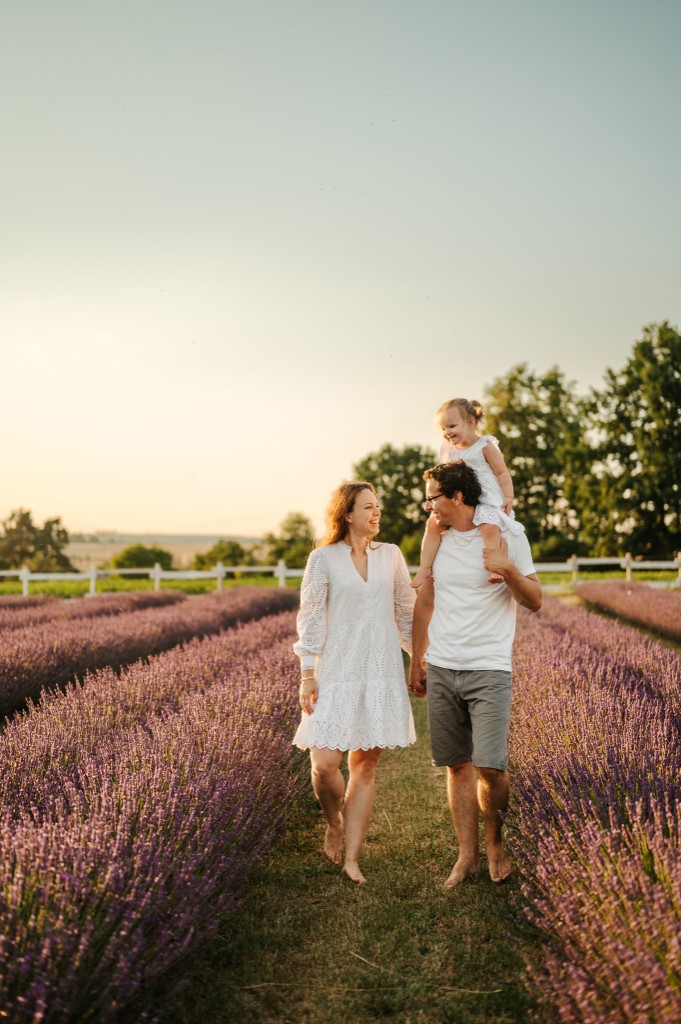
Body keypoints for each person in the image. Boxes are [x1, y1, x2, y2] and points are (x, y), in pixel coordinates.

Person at [408, 460, 542, 887]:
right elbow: (426, 603)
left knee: (491, 767)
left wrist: (508, 569)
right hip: (442, 665)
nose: (428, 505)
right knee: (456, 766)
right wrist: (416, 659)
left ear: (457, 496)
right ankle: (467, 857)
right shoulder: (437, 538)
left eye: (432, 497)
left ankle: (495, 844)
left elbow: (535, 600)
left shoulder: (507, 534)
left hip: (489, 667)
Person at [293, 481, 416, 885]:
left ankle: (351, 858)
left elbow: (406, 613)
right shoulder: (323, 558)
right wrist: (307, 674)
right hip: (335, 671)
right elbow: (311, 616)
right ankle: (334, 822)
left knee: (364, 766)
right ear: (347, 514)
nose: (376, 513)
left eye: (377, 506)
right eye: (367, 507)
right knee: (324, 765)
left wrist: (419, 662)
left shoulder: (391, 555)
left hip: (379, 670)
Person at [411, 398, 522, 588]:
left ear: (470, 422)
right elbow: (441, 477)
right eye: (443, 428)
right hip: (459, 501)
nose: (447, 432)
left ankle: (495, 566)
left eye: (452, 426)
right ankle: (425, 568)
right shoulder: (447, 449)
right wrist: (432, 500)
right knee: (432, 524)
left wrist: (509, 496)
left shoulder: (484, 446)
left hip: (485, 499)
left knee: (489, 526)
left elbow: (502, 472)